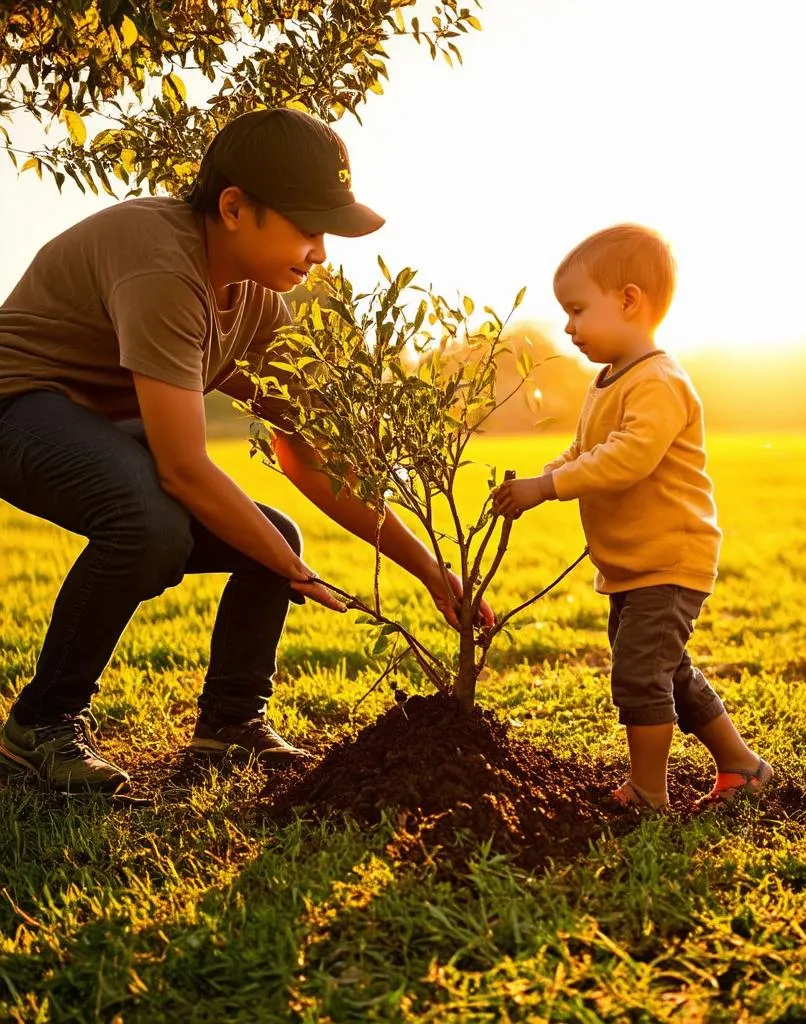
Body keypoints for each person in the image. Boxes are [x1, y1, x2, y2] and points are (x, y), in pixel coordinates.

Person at [0, 107, 492, 794]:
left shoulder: (260, 304)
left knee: (270, 534)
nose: (321, 250)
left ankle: (230, 726)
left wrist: (432, 571)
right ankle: (41, 722)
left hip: (102, 424)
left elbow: (312, 458)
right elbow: (182, 467)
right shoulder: (161, 265)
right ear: (234, 207)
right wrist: (293, 568)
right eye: (307, 228)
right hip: (18, 405)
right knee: (151, 526)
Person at [491, 224, 771, 810]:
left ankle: (649, 791)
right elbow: (584, 448)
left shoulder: (659, 382)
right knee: (667, 672)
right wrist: (540, 477)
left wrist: (550, 488)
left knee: (641, 676)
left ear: (628, 300)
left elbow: (627, 458)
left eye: (576, 309)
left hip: (669, 558)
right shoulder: (608, 381)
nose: (568, 327)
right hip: (634, 564)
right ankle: (741, 764)